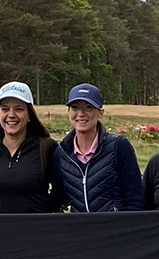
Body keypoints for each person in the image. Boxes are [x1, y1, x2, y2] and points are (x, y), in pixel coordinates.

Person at [54, 82, 143, 212]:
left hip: (115, 228)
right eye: (75, 108)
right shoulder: (61, 152)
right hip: (81, 230)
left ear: (100, 112)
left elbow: (135, 197)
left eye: (88, 107)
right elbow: (59, 196)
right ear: (68, 112)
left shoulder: (119, 146)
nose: (81, 114)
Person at [0, 81, 66, 213]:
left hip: (38, 230)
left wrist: (49, 209)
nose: (11, 115)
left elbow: (62, 189)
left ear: (29, 115)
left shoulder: (46, 147)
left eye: (19, 109)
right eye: (5, 109)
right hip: (0, 230)